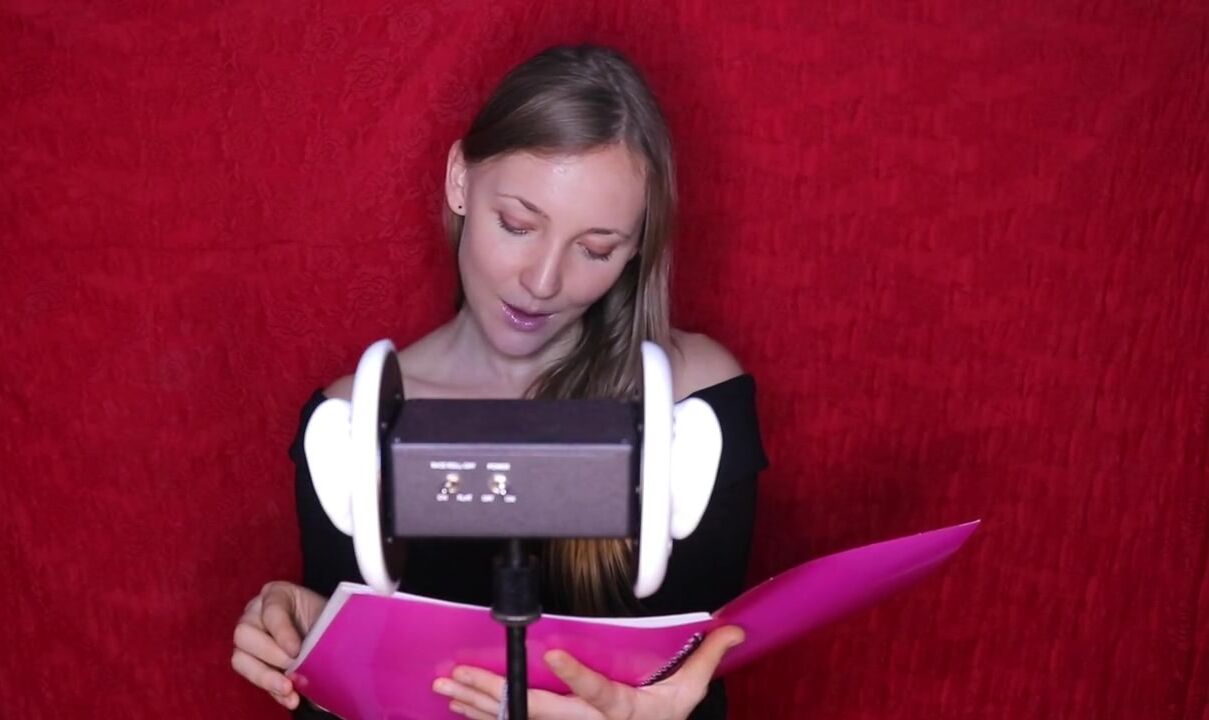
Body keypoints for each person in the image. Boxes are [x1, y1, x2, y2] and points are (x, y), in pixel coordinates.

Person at [231, 44, 768, 719]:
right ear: (460, 180)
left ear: (635, 248)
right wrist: (316, 642)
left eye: (595, 248)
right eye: (517, 225)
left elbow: (697, 682)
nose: (542, 282)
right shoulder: (351, 425)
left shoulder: (693, 411)